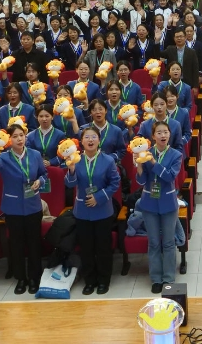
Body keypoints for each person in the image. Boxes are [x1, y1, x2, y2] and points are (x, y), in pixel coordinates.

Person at [0, 123, 48, 294]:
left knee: (34, 244)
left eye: (21, 135)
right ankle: (21, 278)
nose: (19, 139)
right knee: (16, 244)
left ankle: (35, 277)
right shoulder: (3, 157)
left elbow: (44, 174)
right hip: (12, 207)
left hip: (33, 205)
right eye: (15, 136)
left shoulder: (35, 154)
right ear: (9, 139)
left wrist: (40, 182)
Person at [65, 126, 120, 295]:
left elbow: (114, 183)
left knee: (103, 247)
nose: (90, 140)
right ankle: (89, 280)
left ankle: (104, 280)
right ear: (81, 141)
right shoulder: (75, 160)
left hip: (102, 210)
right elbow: (69, 184)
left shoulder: (108, 160)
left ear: (99, 140)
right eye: (87, 137)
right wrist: (71, 170)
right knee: (86, 248)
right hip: (82, 211)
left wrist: (99, 197)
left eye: (94, 137)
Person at [134, 120, 183, 293]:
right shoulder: (145, 153)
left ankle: (168, 277)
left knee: (168, 242)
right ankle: (156, 278)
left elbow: (169, 177)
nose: (163, 135)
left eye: (165, 132)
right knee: (154, 242)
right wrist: (139, 165)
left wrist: (153, 163)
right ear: (153, 136)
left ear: (170, 135)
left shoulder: (176, 155)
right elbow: (141, 181)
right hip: (149, 203)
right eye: (159, 132)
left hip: (168, 203)